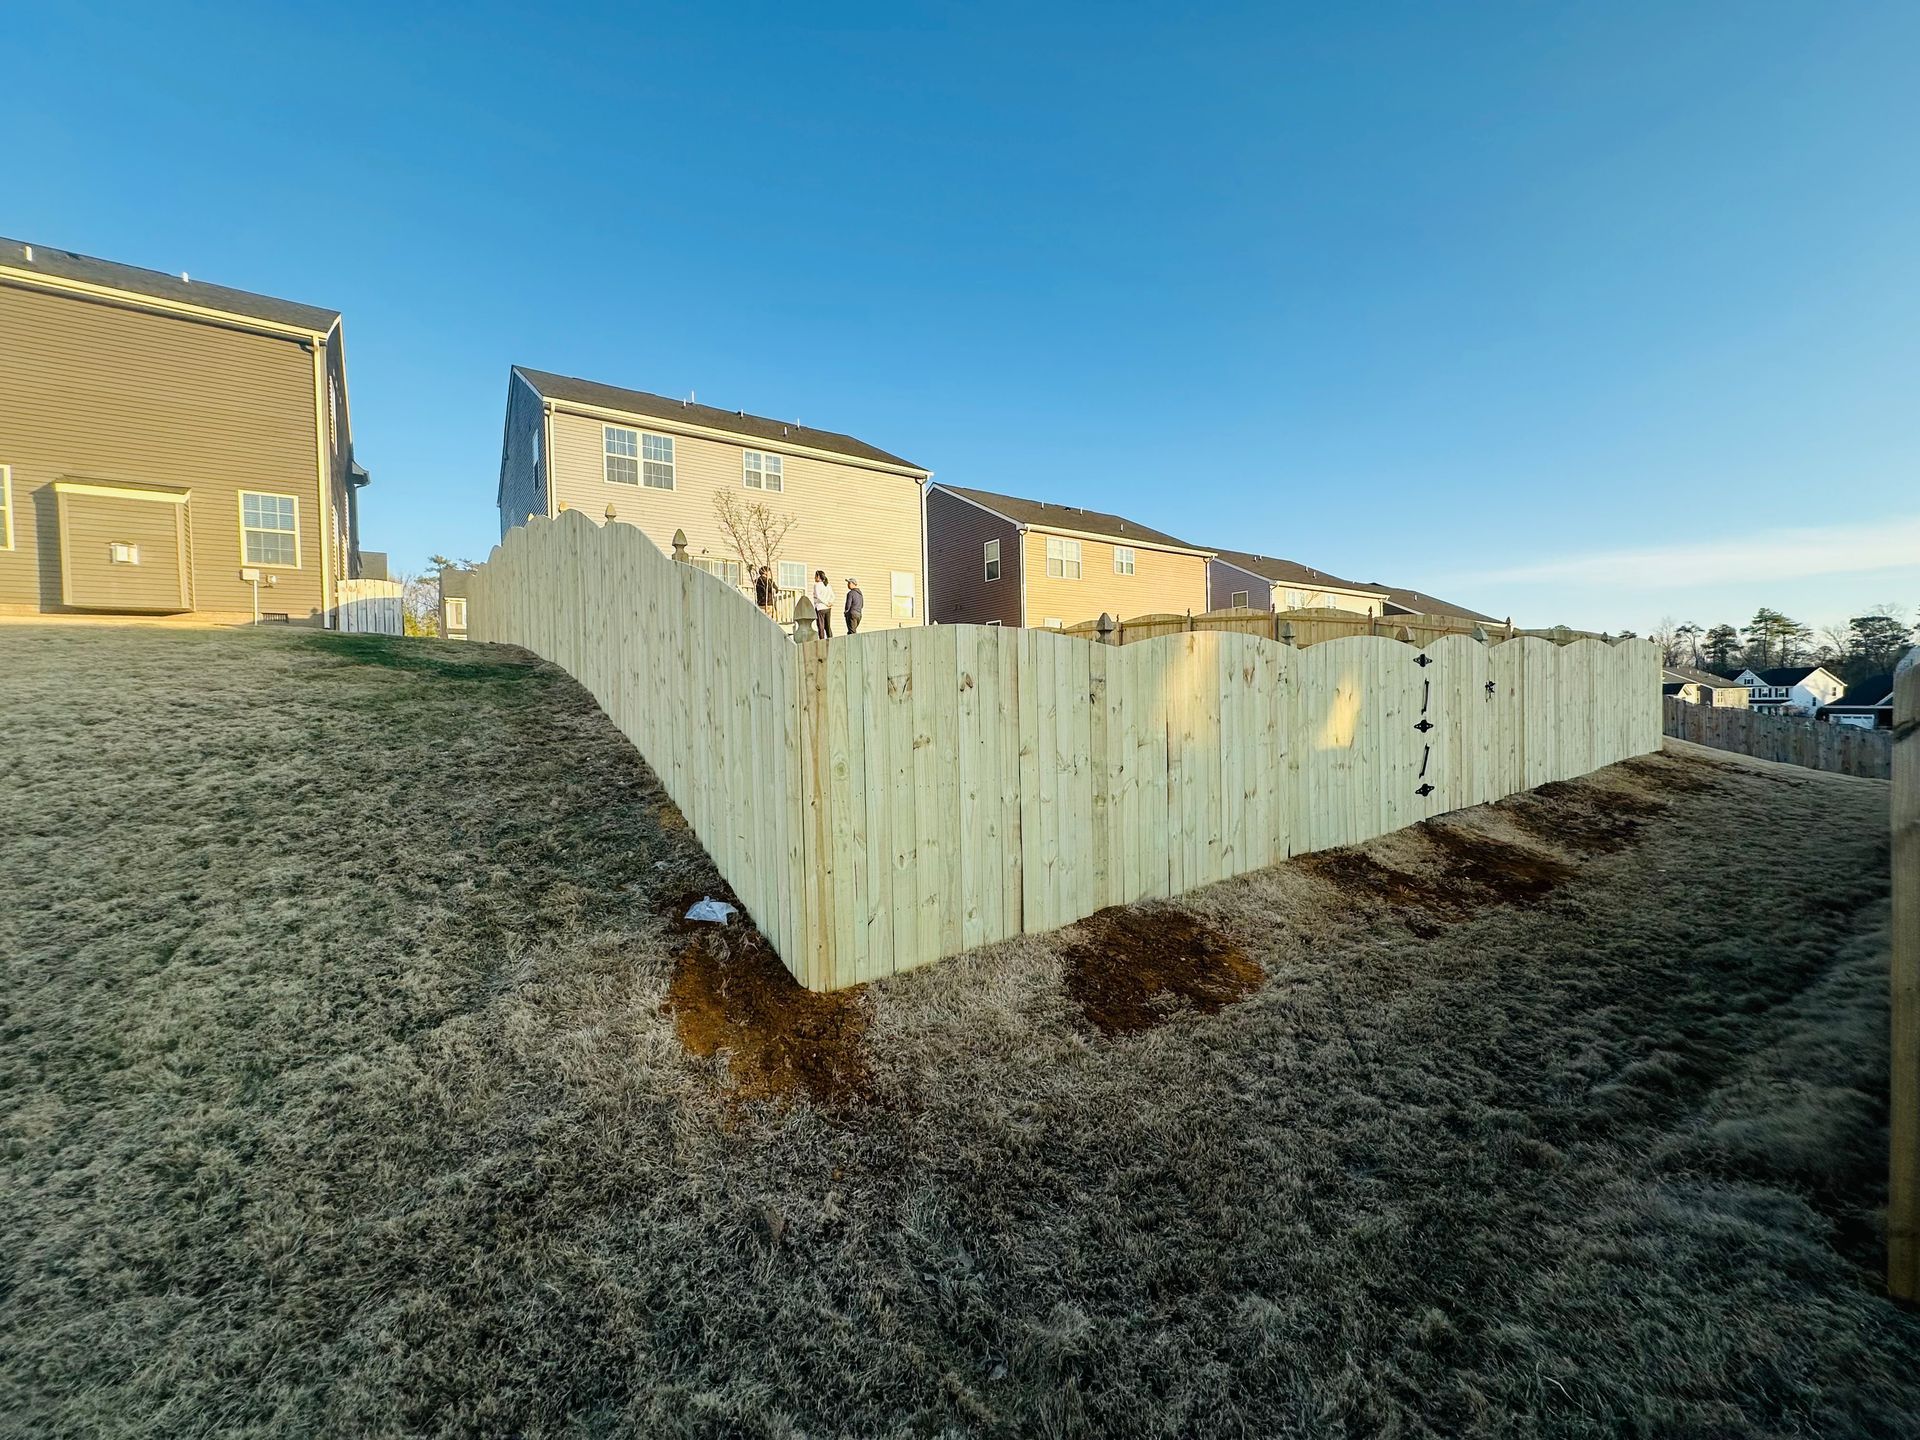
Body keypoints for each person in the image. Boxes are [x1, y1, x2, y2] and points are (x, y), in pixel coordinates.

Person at [811, 571, 834, 639]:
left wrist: (826, 603)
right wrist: (830, 602)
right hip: (828, 608)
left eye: (815, 576)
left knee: (821, 626)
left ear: (818, 576)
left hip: (820, 607)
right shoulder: (828, 585)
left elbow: (818, 596)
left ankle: (822, 641)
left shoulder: (817, 585)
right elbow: (833, 595)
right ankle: (831, 639)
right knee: (828, 626)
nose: (814, 578)